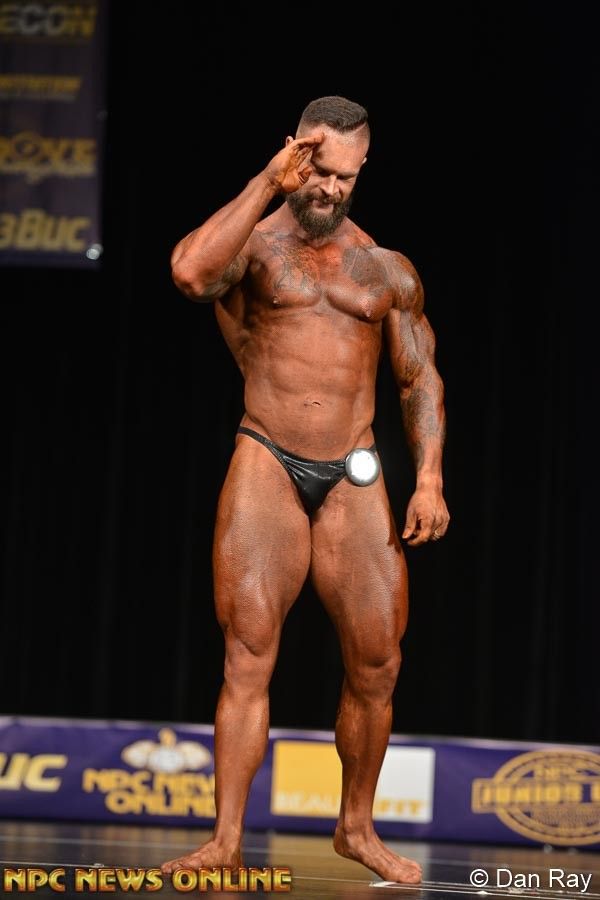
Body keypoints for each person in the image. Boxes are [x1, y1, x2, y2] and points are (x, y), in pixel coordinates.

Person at [160, 96, 449, 885]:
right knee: (248, 655)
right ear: (297, 154)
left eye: (345, 177)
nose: (329, 189)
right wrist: (266, 181)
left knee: (378, 663)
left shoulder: (384, 268)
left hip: (354, 471)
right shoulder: (253, 246)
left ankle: (355, 827)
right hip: (267, 461)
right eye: (319, 171)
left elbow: (418, 377)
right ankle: (225, 841)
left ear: (363, 170)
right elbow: (189, 273)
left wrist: (428, 476)